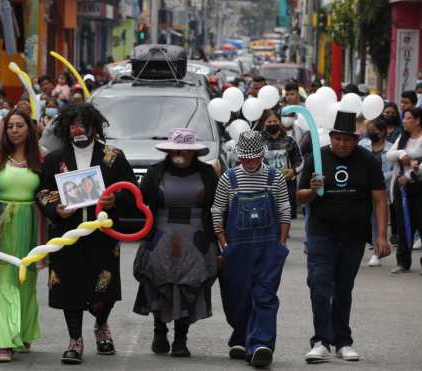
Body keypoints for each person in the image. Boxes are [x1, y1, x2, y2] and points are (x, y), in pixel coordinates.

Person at [37, 103, 136, 364]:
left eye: (83, 124)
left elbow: (132, 191)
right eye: (73, 125)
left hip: (102, 234)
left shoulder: (113, 156)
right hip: (67, 235)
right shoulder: (54, 159)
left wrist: (116, 200)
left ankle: (101, 324)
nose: (78, 129)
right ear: (66, 129)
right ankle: (75, 340)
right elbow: (42, 192)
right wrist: (56, 209)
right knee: (69, 288)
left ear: (94, 126)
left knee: (105, 287)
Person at [298, 110, 390, 363]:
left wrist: (381, 236)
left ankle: (343, 341)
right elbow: (299, 197)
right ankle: (320, 341)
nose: (342, 144)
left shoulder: (368, 160)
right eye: (338, 139)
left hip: (354, 235)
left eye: (347, 139)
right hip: (321, 232)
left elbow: (380, 200)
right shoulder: (316, 158)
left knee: (343, 288)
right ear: (332, 137)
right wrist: (313, 190)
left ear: (356, 139)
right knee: (318, 284)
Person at [133, 128, 219, 357]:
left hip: (196, 237)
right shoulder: (155, 173)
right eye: (175, 149)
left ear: (194, 153)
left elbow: (219, 207)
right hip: (161, 235)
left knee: (189, 286)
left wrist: (218, 240)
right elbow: (138, 203)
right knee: (158, 283)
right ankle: (159, 330)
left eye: (185, 149)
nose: (180, 153)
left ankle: (181, 339)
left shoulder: (208, 173)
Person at [211, 130, 290, 368]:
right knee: (238, 296)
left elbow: (285, 210)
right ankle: (242, 336)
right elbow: (217, 211)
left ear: (262, 155)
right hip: (236, 249)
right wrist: (223, 242)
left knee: (264, 296)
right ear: (239, 157)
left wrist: (281, 244)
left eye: (255, 157)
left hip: (268, 248)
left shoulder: (275, 178)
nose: (250, 162)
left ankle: (260, 345)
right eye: (246, 158)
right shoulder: (228, 178)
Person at [0, 110, 46, 362]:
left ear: (29, 129)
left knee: (26, 282)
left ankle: (25, 332)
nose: (15, 130)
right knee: (6, 280)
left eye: (19, 125)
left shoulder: (40, 158)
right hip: (2, 223)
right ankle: (5, 341)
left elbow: (49, 192)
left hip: (32, 224)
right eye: (10, 126)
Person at [386, 107, 422, 275]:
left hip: (420, 187)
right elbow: (389, 155)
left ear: (417, 120)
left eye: (408, 118)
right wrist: (402, 153)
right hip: (402, 188)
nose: (404, 121)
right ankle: (403, 262)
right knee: (403, 224)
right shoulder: (403, 137)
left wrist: (409, 175)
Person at [359, 117, 393, 266]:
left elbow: (393, 171)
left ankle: (376, 253)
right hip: (361, 189)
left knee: (376, 221)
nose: (371, 133)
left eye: (374, 130)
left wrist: (376, 179)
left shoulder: (391, 148)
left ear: (383, 131)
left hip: (380, 190)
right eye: (369, 130)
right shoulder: (362, 145)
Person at [259, 110, 303, 219]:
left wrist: (293, 171)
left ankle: (283, 234)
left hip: (286, 183)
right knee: (266, 213)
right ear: (264, 123)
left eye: (275, 121)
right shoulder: (258, 140)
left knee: (285, 215)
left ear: (279, 122)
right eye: (269, 122)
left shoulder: (289, 140)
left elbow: (300, 161)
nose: (272, 124)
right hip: (264, 184)